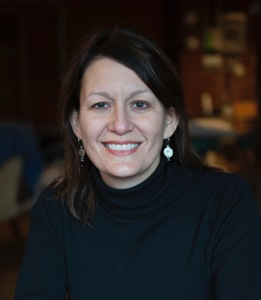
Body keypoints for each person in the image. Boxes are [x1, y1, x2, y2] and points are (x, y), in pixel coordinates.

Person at [14, 27, 261, 300]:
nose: (120, 125)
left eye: (140, 104)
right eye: (100, 105)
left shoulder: (225, 201)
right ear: (76, 125)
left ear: (169, 121)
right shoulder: (55, 210)